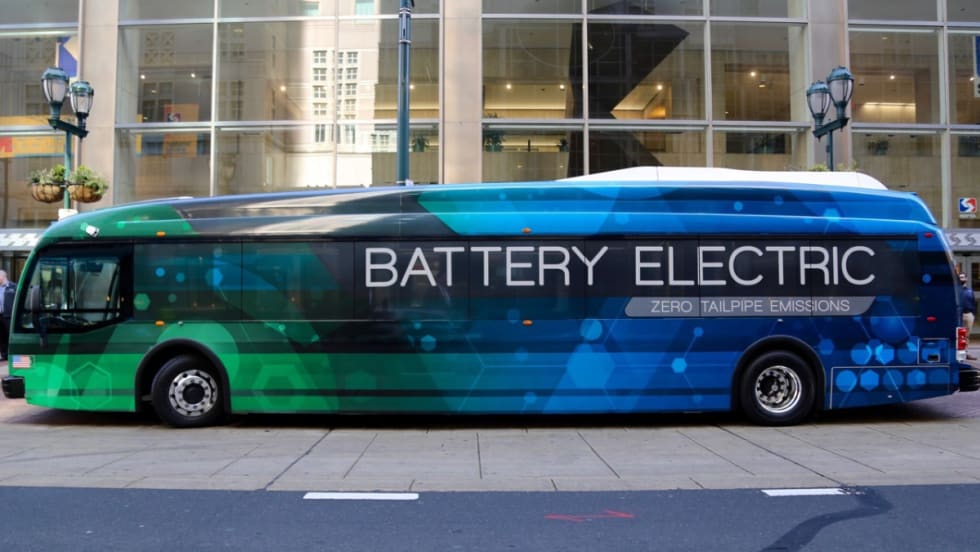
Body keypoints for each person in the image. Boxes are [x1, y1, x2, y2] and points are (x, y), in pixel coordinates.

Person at [961, 272, 977, 361]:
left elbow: (973, 303)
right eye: (960, 277)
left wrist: (973, 314)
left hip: (969, 315)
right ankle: (959, 354)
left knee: (966, 335)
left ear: (966, 279)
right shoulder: (957, 290)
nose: (961, 279)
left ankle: (965, 353)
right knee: (960, 335)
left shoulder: (969, 291)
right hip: (960, 315)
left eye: (963, 277)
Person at [0, 269, 15, 361]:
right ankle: (4, 354)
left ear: (2, 277)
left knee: (10, 336)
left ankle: (11, 353)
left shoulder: (13, 287)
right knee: (1, 336)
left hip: (9, 316)